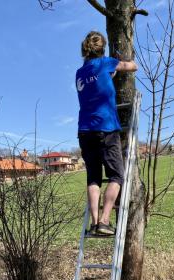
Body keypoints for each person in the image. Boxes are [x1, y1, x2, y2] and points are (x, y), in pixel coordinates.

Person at [75, 31, 137, 236]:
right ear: (102, 49)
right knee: (116, 175)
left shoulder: (80, 73)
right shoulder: (106, 63)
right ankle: (104, 220)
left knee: (93, 178)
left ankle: (94, 224)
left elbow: (98, 83)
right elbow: (132, 66)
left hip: (84, 131)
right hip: (106, 128)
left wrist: (112, 72)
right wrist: (120, 61)